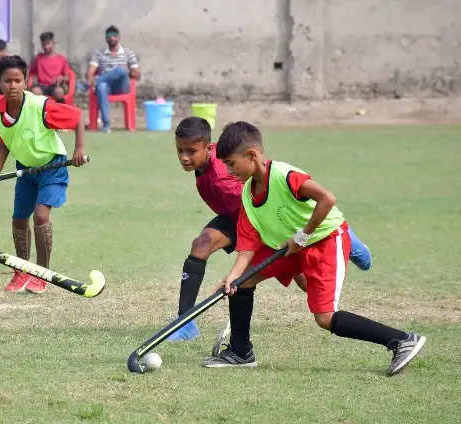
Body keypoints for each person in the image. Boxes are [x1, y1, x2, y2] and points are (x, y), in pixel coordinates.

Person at [204, 121, 425, 375]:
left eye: (231, 164)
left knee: (325, 317)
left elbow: (327, 198)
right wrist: (231, 277)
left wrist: (304, 235)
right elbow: (247, 247)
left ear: (252, 155)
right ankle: (240, 353)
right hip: (290, 246)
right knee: (244, 280)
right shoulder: (247, 194)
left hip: (324, 239)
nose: (229, 171)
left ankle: (402, 340)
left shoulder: (284, 175)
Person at [168, 117, 373, 341]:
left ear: (207, 148)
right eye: (180, 151)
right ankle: (185, 323)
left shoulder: (224, 174)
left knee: (306, 282)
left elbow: (268, 199)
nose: (184, 157)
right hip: (235, 217)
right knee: (202, 244)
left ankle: (345, 238)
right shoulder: (216, 156)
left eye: (191, 151)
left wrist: (283, 237)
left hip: (259, 221)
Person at [0, 55, 88, 293]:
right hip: (26, 170)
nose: (13, 86)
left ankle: (43, 274)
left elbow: (78, 117)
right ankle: (21, 272)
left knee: (40, 216)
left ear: (26, 81)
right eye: (7, 81)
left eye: (18, 80)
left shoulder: (41, 105)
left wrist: (79, 149)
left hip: (52, 166)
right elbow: (6, 140)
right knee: (19, 219)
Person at [87, 25, 140, 133]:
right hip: (106, 86)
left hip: (122, 86)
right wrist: (90, 78)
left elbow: (138, 75)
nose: (112, 37)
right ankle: (106, 125)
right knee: (101, 87)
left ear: (119, 37)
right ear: (106, 38)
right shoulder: (99, 53)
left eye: (114, 35)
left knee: (120, 70)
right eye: (109, 35)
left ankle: (88, 84)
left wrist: (130, 72)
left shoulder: (128, 53)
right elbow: (90, 71)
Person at [29, 31, 70, 103]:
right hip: (41, 85)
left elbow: (67, 77)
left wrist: (62, 78)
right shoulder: (38, 58)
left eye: (48, 44)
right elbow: (31, 73)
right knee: (35, 91)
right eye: (43, 44)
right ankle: (39, 113)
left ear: (53, 43)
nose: (46, 47)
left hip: (55, 86)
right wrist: (29, 82)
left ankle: (60, 112)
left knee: (59, 92)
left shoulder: (61, 59)